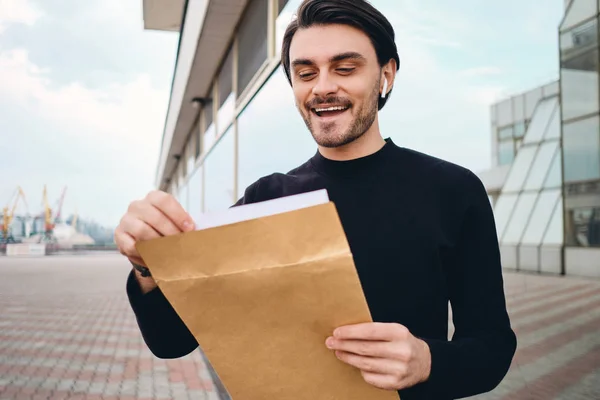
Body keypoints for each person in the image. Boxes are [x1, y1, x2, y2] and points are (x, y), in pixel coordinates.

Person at [115, 0, 517, 399]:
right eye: (305, 72)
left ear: (385, 75)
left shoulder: (452, 190)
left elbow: (492, 346)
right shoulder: (266, 199)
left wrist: (427, 361)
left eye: (345, 68)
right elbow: (172, 341)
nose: (323, 87)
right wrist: (145, 265)